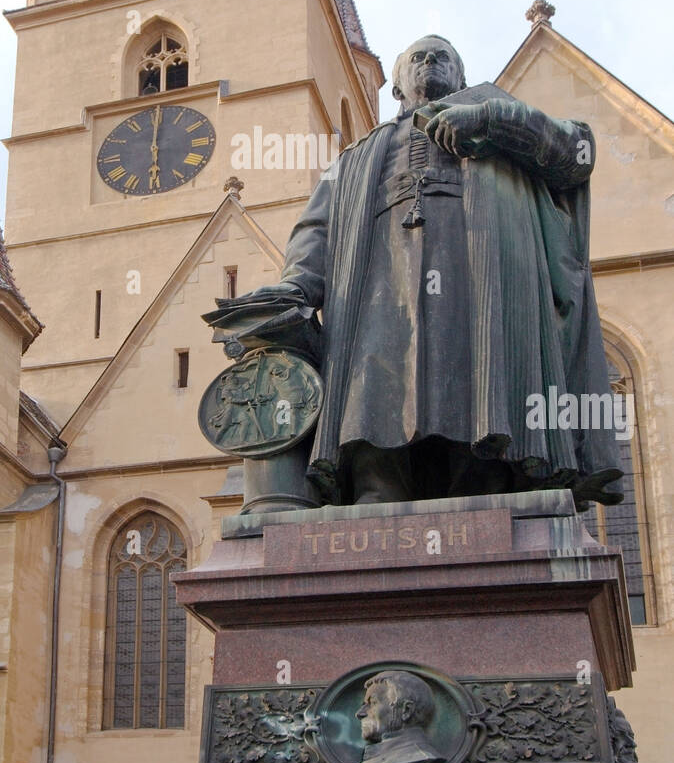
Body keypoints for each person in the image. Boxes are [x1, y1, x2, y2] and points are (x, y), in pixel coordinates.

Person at [215, 35, 623, 511]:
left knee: (475, 366)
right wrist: (297, 285)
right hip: (377, 282)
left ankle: (483, 482)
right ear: (396, 86)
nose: (430, 62)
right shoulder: (354, 157)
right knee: (375, 372)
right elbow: (316, 228)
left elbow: (577, 152)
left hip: (479, 271)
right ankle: (377, 483)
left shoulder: (499, 117)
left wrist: (491, 119)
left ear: (463, 78)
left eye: (442, 56)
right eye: (418, 57)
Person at [355, 670, 443, 763]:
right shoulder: (376, 758)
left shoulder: (420, 757)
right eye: (364, 705)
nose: (359, 713)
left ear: (406, 710)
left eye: (373, 703)